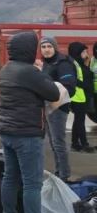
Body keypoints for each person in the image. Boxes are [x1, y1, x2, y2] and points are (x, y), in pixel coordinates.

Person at [0, 32, 66, 213]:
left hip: (7, 131)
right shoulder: (29, 72)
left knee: (10, 178)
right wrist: (40, 72)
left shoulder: (7, 69)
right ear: (28, 50)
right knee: (32, 183)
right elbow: (53, 94)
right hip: (27, 135)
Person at [39, 37, 76, 181]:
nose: (46, 49)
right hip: (49, 107)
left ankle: (64, 175)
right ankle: (58, 171)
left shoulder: (62, 63)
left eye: (49, 46)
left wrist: (55, 105)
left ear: (55, 47)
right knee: (53, 143)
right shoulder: (47, 63)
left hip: (59, 107)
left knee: (59, 143)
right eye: (43, 47)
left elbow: (69, 87)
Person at [67, 42, 94, 153]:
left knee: (78, 121)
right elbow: (74, 80)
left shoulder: (80, 63)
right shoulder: (72, 63)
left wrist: (87, 63)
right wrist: (87, 86)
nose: (86, 53)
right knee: (80, 121)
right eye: (83, 51)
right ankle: (84, 144)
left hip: (82, 96)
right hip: (78, 97)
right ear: (77, 52)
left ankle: (75, 143)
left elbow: (87, 75)